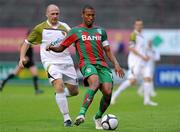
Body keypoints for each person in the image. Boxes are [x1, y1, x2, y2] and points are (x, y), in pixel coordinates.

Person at [46, 5, 124, 129]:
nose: (90, 17)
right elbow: (61, 47)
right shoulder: (75, 31)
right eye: (88, 15)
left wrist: (116, 64)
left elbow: (108, 50)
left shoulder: (101, 31)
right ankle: (81, 114)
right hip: (86, 63)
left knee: (108, 92)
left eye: (92, 15)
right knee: (95, 82)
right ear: (82, 15)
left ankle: (98, 117)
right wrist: (51, 47)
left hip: (102, 65)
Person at [19, 4, 79, 127]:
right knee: (59, 84)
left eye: (57, 13)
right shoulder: (40, 28)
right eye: (52, 13)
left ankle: (59, 94)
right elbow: (26, 43)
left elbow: (75, 42)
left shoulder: (65, 27)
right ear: (47, 14)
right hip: (50, 62)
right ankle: (67, 118)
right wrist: (21, 58)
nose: (55, 16)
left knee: (74, 92)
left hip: (66, 62)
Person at [111, 19, 158, 106]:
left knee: (148, 78)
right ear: (135, 26)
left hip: (143, 62)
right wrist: (143, 56)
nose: (139, 26)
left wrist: (146, 55)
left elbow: (142, 49)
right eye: (137, 25)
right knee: (132, 81)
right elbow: (131, 48)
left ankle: (147, 100)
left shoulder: (142, 36)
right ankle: (115, 95)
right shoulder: (133, 35)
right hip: (135, 62)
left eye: (141, 25)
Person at [0, 30, 43, 94]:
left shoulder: (31, 42)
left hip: (30, 61)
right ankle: (2, 83)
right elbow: (19, 49)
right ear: (28, 35)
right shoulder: (25, 42)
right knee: (15, 73)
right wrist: (24, 57)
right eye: (31, 34)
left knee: (35, 74)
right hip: (23, 61)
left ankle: (37, 90)